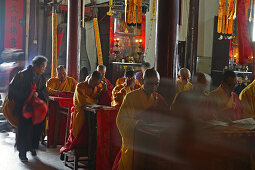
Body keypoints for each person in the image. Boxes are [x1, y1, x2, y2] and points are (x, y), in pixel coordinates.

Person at [116, 68, 167, 170]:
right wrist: (136, 123)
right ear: (143, 81)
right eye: (151, 84)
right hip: (135, 141)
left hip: (152, 142)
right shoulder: (131, 97)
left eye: (156, 84)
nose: (154, 87)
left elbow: (166, 118)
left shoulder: (158, 98)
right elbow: (121, 120)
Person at [8, 56, 49, 161]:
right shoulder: (22, 75)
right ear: (36, 66)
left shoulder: (42, 77)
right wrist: (28, 94)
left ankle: (32, 147)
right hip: (24, 108)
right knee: (24, 130)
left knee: (36, 130)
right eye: (43, 66)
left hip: (36, 110)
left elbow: (45, 92)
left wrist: (38, 93)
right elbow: (12, 90)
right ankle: (22, 152)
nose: (44, 69)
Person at [60, 71, 104, 153]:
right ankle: (75, 147)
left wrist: (98, 97)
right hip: (80, 113)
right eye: (92, 81)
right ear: (90, 76)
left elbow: (95, 98)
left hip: (90, 113)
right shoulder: (80, 86)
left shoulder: (95, 88)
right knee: (78, 132)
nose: (93, 84)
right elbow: (83, 101)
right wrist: (95, 101)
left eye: (95, 83)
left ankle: (87, 150)